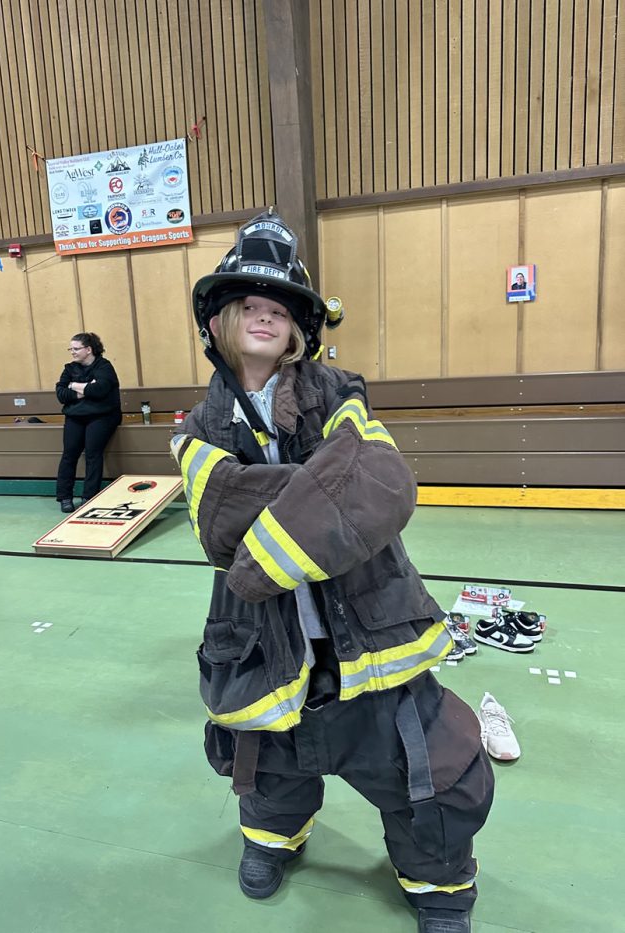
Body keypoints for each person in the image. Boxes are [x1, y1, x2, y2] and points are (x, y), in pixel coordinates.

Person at [170, 211, 494, 933]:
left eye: (278, 308)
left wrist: (297, 493)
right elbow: (221, 523)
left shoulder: (340, 390)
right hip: (261, 646)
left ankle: (440, 889)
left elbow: (380, 482)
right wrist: (322, 484)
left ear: (299, 330)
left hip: (375, 638)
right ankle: (271, 842)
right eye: (247, 303)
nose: (263, 315)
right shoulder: (197, 428)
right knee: (267, 770)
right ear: (219, 320)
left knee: (428, 775)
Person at [55, 332, 121, 512]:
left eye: (76, 349)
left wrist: (73, 385)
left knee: (93, 453)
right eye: (71, 349)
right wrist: (84, 389)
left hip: (102, 416)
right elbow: (61, 394)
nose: (72, 352)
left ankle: (89, 496)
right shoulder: (69, 369)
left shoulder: (104, 367)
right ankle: (65, 497)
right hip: (75, 416)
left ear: (88, 349)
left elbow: (100, 389)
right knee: (69, 454)